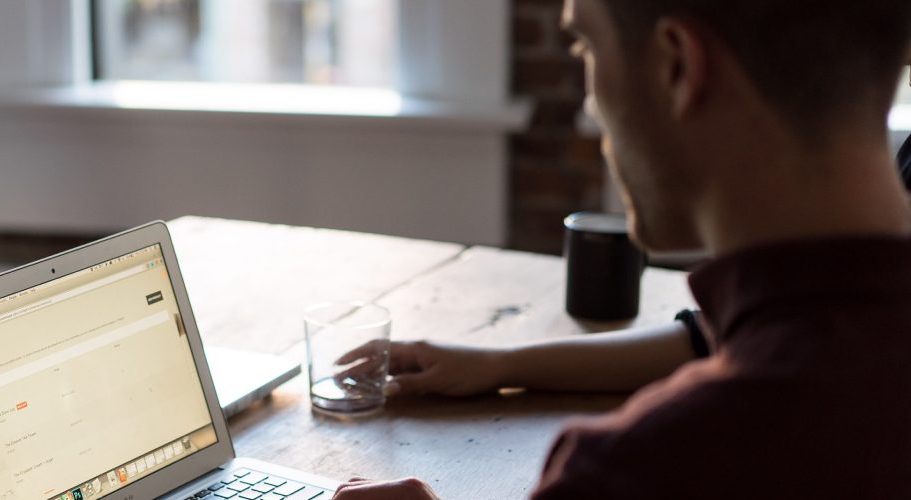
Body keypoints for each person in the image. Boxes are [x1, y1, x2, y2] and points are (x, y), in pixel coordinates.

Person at [332, 0, 911, 498]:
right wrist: (501, 364)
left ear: (676, 66)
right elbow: (718, 334)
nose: (591, 105)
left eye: (586, 46)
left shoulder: (641, 471)